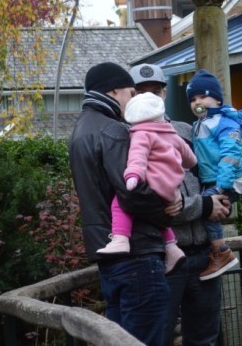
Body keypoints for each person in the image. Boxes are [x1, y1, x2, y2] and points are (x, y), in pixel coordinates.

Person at [69, 62, 175, 345]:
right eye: (130, 92)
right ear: (113, 90)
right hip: (137, 254)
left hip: (108, 257)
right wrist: (167, 212)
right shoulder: (113, 130)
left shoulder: (81, 129)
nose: (134, 100)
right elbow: (131, 190)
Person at [129, 63, 232, 346]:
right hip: (164, 259)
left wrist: (223, 202)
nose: (149, 96)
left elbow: (209, 176)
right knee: (158, 337)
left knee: (205, 337)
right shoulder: (130, 137)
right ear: (132, 95)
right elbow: (148, 203)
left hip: (204, 256)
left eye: (155, 91)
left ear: (164, 93)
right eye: (141, 91)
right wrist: (204, 206)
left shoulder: (187, 130)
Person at [96, 92, 197, 276]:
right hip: (173, 186)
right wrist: (190, 165)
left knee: (120, 203)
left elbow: (138, 157)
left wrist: (133, 175)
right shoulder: (172, 133)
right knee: (156, 217)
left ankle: (120, 239)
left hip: (155, 183)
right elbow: (190, 158)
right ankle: (172, 248)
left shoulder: (142, 134)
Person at [186, 69, 242, 280]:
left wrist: (223, 185)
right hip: (211, 180)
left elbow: (231, 154)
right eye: (193, 99)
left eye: (203, 96)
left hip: (229, 179)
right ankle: (217, 250)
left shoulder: (225, 123)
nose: (198, 101)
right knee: (207, 207)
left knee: (207, 204)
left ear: (216, 99)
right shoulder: (199, 125)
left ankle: (222, 252)